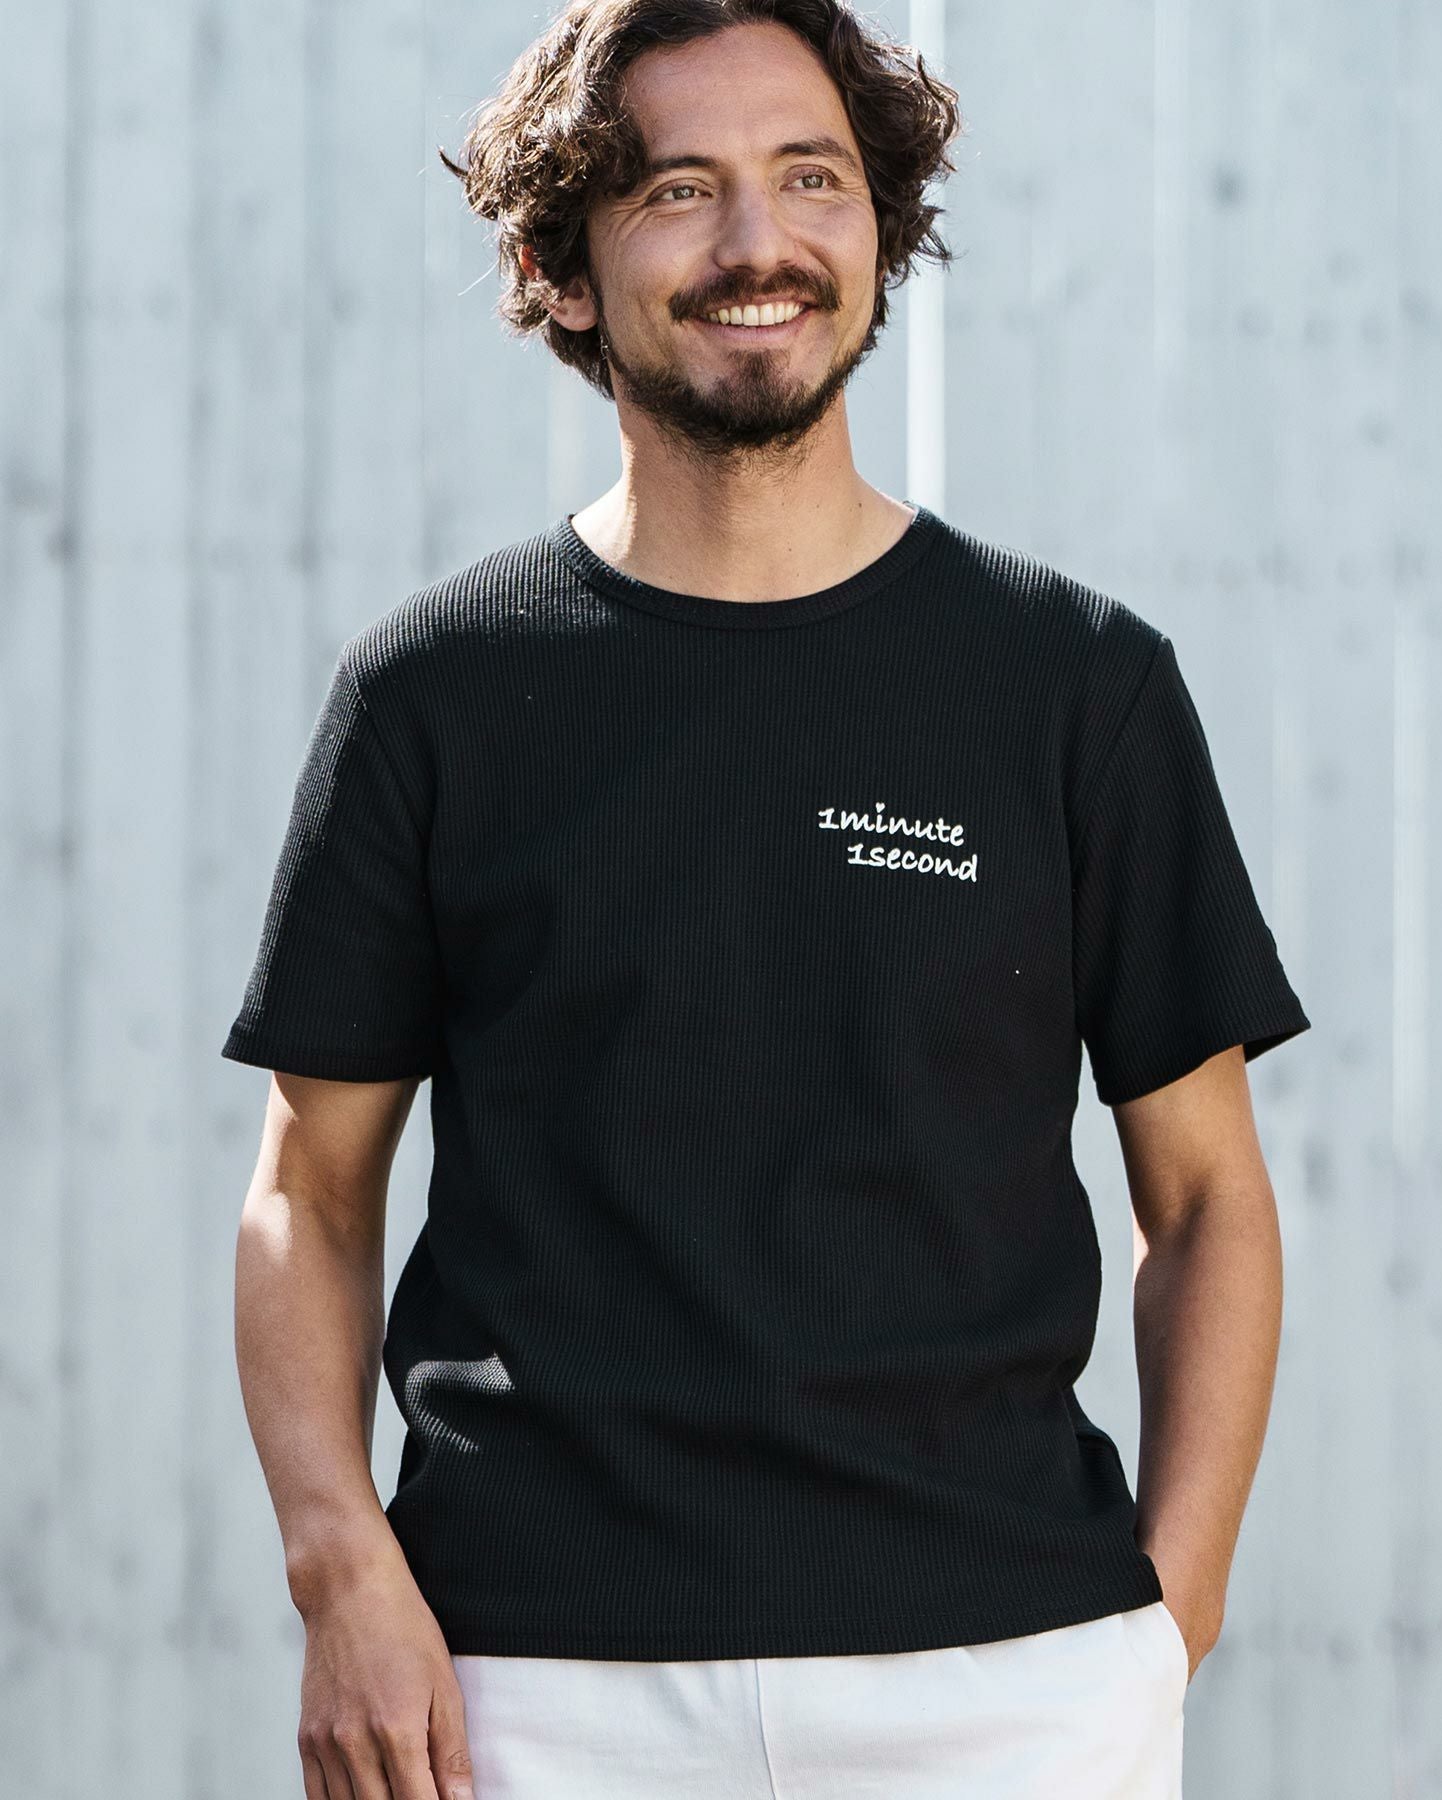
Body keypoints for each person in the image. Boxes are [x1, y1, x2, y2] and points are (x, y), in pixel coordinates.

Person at [223, 3, 1311, 1797]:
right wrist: (342, 1573)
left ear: (880, 228)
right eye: (677, 190)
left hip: (1001, 1689)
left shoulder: (1074, 687)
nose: (759, 243)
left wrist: (1158, 1627)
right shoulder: (434, 696)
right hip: (526, 1694)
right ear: (561, 267)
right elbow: (307, 1196)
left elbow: (1205, 1201)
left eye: (813, 178)